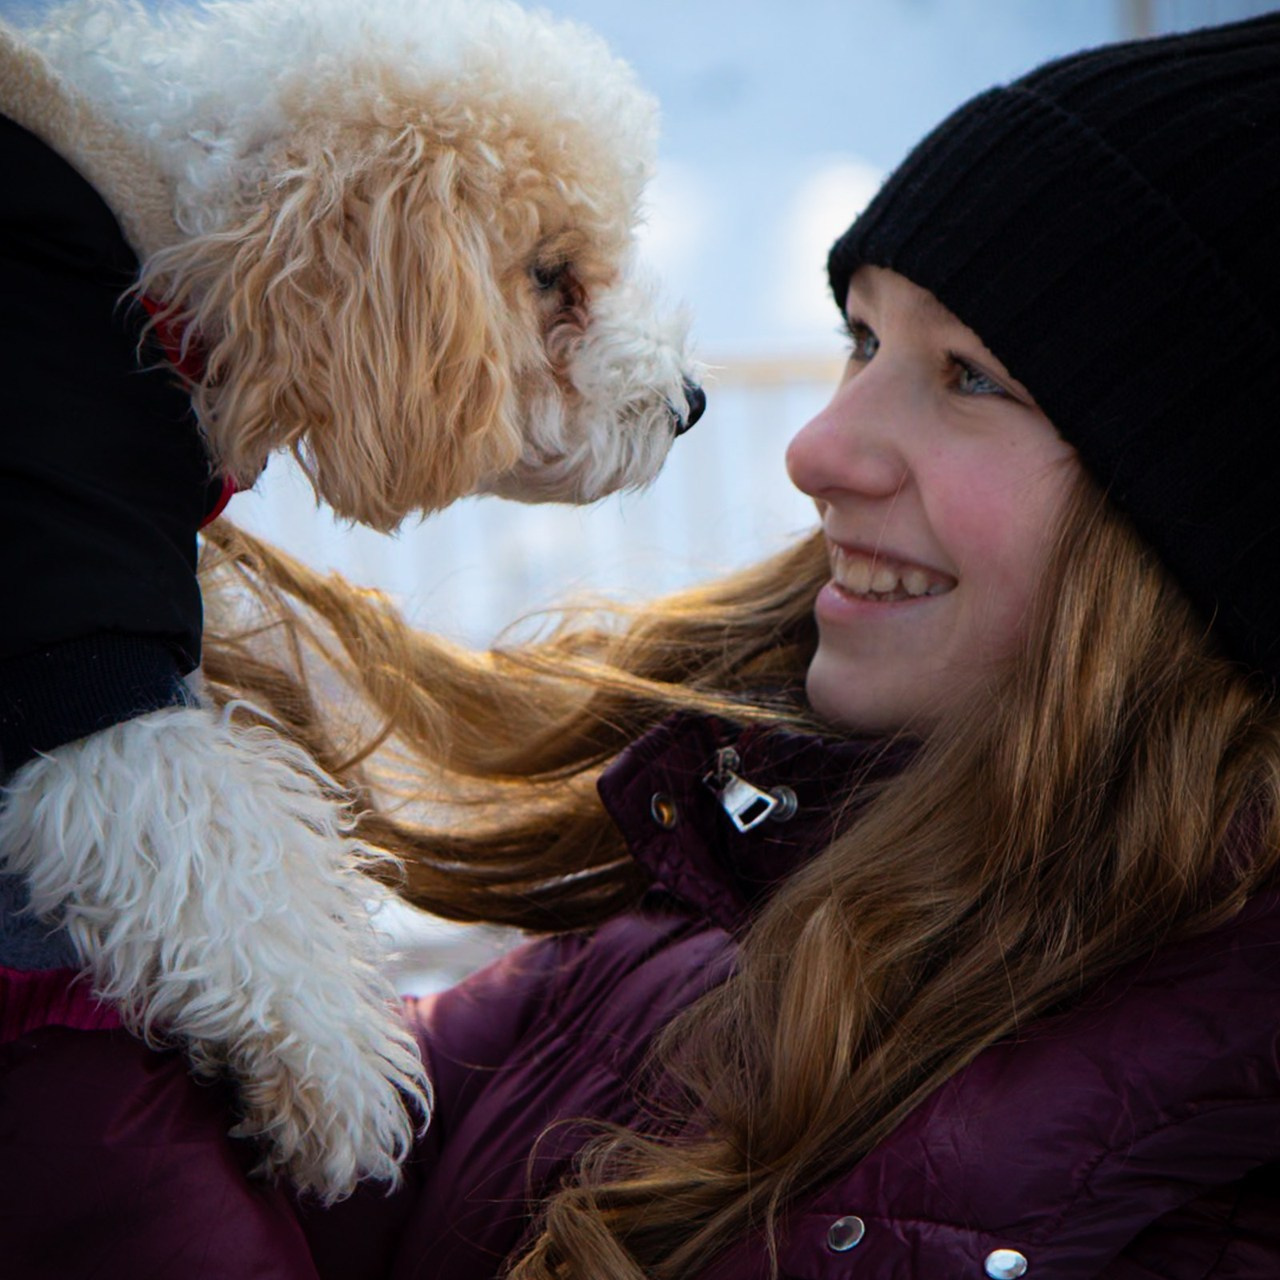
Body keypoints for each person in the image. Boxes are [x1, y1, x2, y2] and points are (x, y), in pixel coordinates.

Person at [201, 13, 1280, 1279]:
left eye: (972, 374)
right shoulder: (730, 860)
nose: (814, 449)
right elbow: (325, 1183)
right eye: (863, 341)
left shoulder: (1206, 1172)